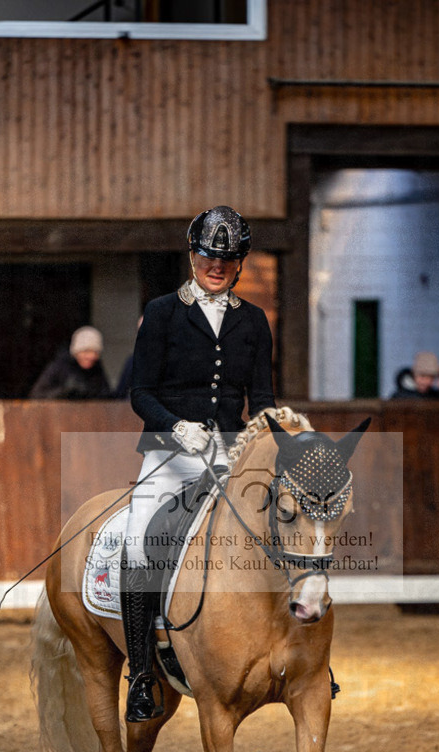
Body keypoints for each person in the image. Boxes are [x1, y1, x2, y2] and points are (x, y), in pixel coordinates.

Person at [122, 205, 276, 722]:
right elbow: (139, 393)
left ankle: (301, 660)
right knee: (141, 539)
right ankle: (142, 675)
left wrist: (261, 448)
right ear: (193, 255)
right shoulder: (163, 312)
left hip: (228, 458)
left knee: (281, 531)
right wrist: (176, 426)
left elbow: (265, 400)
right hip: (169, 454)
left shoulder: (253, 322)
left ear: (240, 263)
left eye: (228, 258)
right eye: (210, 255)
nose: (218, 265)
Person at [29, 326, 111, 399]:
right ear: (76, 352)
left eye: (95, 352)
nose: (91, 356)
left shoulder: (96, 369)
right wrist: (65, 392)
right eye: (86, 351)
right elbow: (37, 395)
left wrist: (89, 392)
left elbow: (107, 395)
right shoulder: (59, 366)